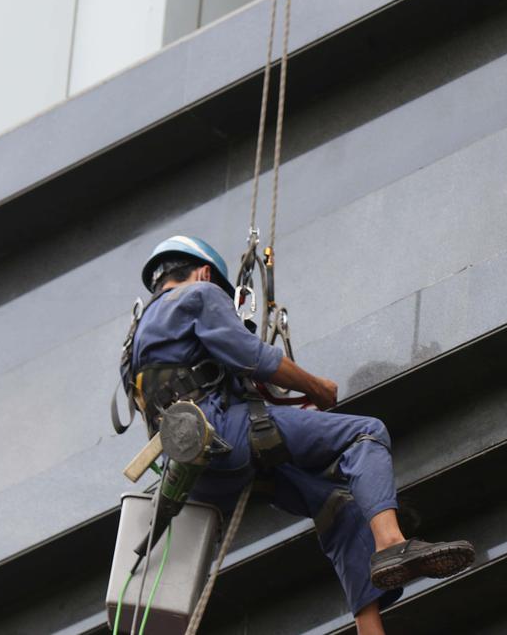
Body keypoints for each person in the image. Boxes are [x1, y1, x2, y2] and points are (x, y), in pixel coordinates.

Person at [126, 235, 475, 633]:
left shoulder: (138, 337)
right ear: (204, 271)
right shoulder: (201, 293)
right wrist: (315, 388)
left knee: (337, 508)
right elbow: (253, 357)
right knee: (364, 433)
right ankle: (392, 545)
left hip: (196, 470)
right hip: (223, 433)